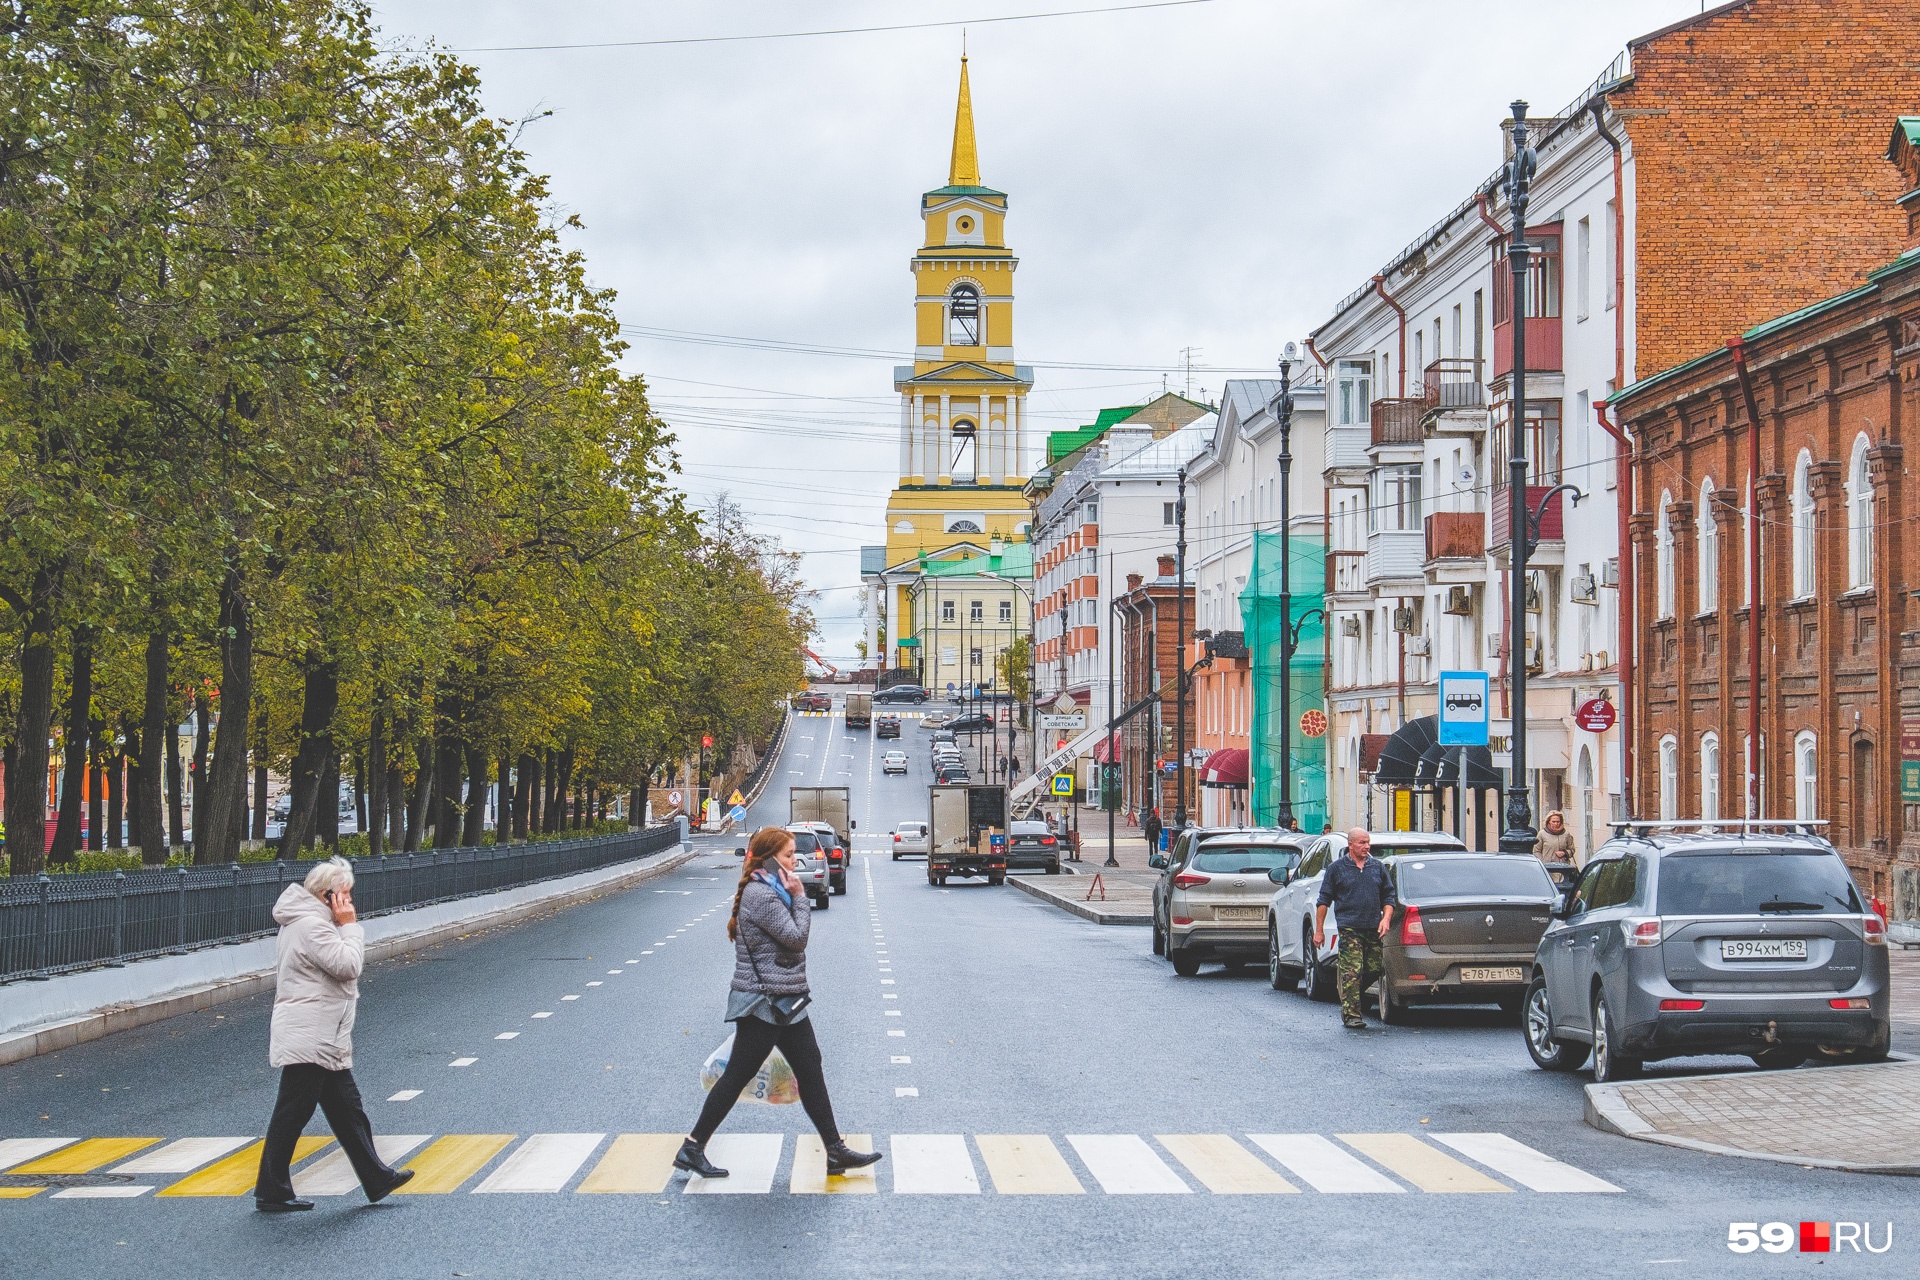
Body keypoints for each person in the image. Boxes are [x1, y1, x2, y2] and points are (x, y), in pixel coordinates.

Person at [676, 826, 882, 1180]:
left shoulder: (768, 890)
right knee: (738, 1074)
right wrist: (801, 897)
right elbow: (796, 938)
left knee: (810, 1067)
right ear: (769, 858)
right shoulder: (763, 895)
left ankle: (834, 1150)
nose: (794, 860)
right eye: (788, 855)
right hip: (764, 1002)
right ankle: (693, 1147)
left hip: (783, 999)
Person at [254, 857, 414, 1211]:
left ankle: (376, 1177)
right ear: (328, 896)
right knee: (292, 1113)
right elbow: (348, 966)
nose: (350, 903)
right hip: (312, 1033)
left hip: (322, 1033)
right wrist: (351, 927)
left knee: (348, 1111)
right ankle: (271, 1190)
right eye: (346, 896)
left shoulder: (309, 922)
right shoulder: (314, 926)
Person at [1313, 829, 1396, 1030]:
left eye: (1368, 842)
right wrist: (1319, 930)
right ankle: (1351, 1015)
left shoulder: (1376, 868)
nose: (1366, 846)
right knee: (1352, 971)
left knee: (1374, 968)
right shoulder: (1337, 869)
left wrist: (1386, 919)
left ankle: (1350, 992)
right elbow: (1323, 901)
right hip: (1349, 927)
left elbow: (1388, 897)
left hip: (1373, 927)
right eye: (1362, 843)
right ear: (1351, 845)